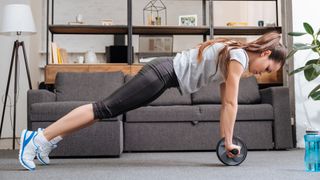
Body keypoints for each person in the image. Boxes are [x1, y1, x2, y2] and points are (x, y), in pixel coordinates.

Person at [19, 31, 287, 171]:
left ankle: (45, 140)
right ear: (264, 52)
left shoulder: (234, 52)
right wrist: (228, 142)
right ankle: (37, 140)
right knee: (103, 108)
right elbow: (231, 105)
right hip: (161, 74)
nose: (262, 73)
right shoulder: (239, 57)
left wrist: (226, 139)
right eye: (267, 67)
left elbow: (224, 103)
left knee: (104, 111)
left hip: (163, 76)